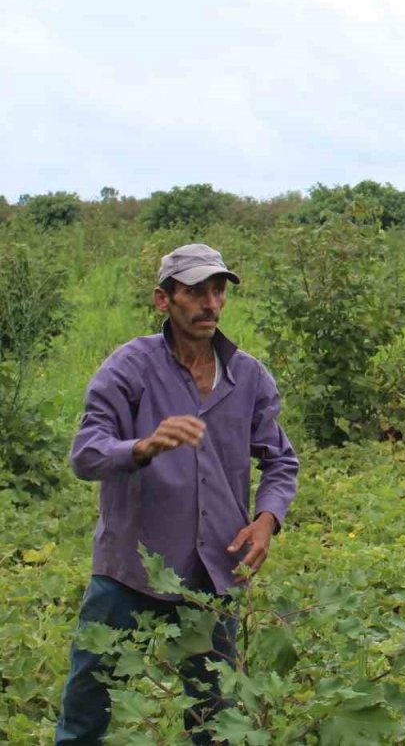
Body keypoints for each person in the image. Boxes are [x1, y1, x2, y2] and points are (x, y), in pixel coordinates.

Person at [56, 244, 300, 745]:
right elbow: (86, 453)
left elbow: (279, 459)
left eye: (217, 291)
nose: (210, 303)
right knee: (88, 708)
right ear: (162, 300)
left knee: (213, 718)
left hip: (213, 571)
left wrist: (266, 520)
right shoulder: (131, 367)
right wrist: (141, 447)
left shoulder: (247, 376)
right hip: (130, 570)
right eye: (194, 292)